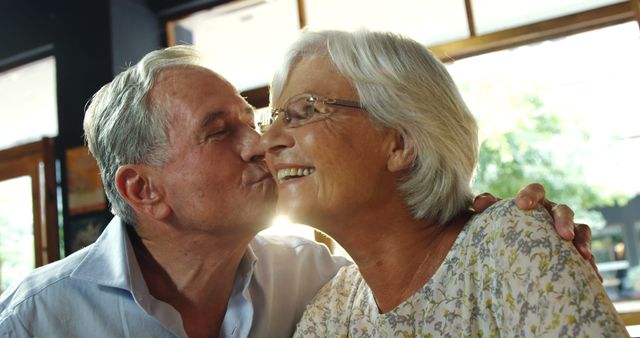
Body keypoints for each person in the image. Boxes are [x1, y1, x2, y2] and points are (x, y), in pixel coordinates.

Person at [0, 45, 594, 338]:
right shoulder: (36, 319)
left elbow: (412, 256)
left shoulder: (316, 282)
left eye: (255, 121)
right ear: (143, 189)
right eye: (219, 132)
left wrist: (487, 221)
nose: (261, 145)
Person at [260, 30, 627, 336]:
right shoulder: (333, 308)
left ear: (400, 144)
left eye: (304, 110)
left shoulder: (509, 242)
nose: (267, 140)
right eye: (271, 119)